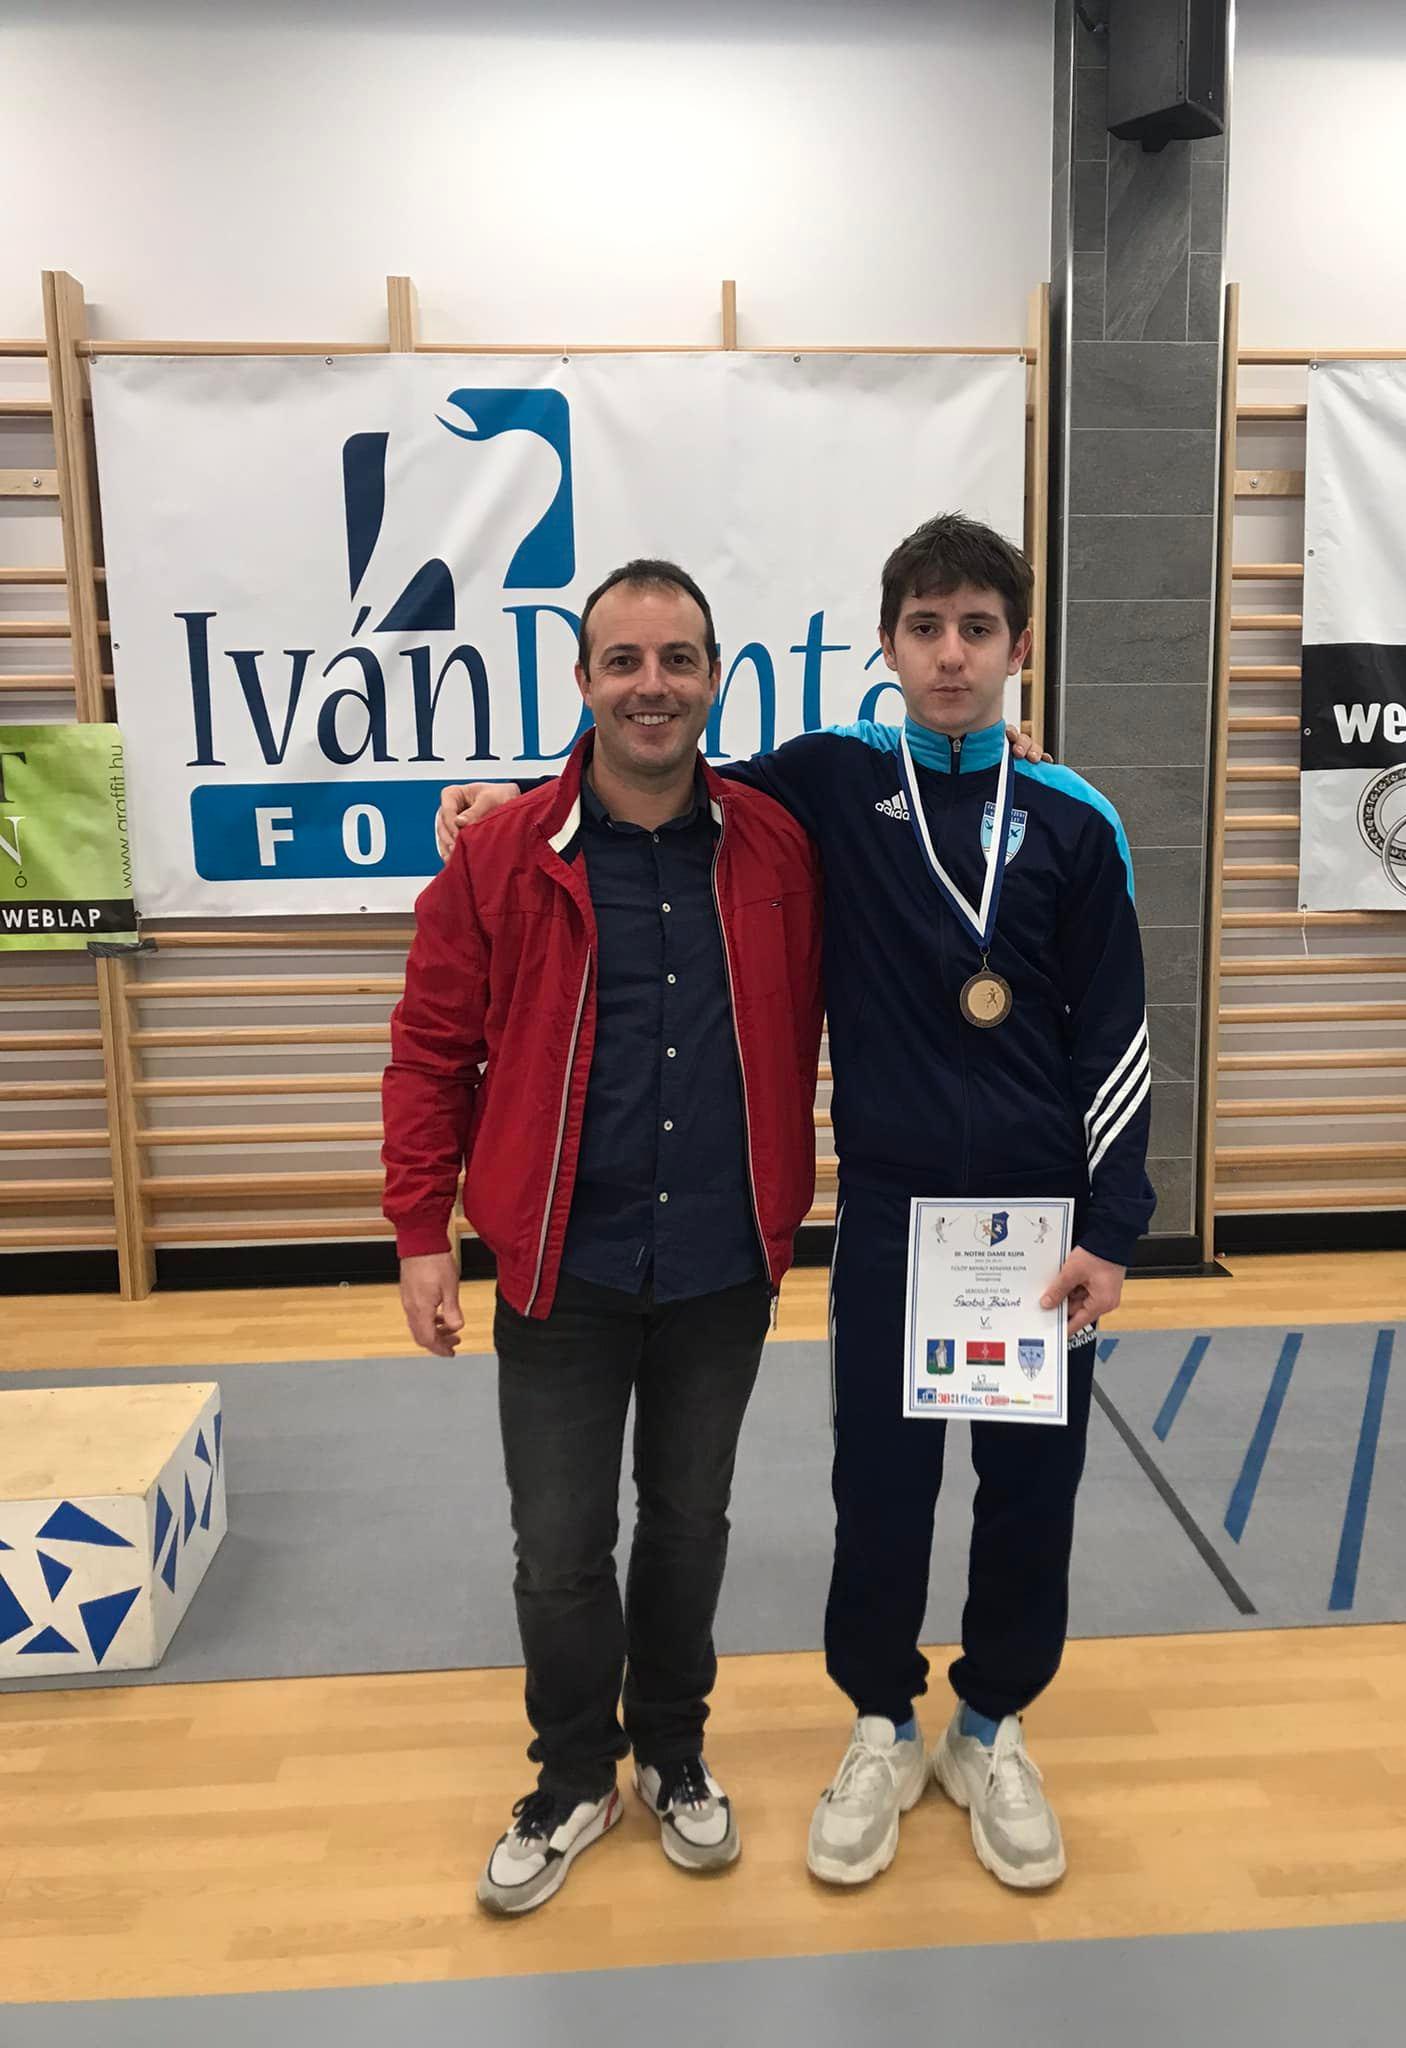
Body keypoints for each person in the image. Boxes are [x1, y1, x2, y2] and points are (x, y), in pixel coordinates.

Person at [438, 514, 1153, 1895]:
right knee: (880, 1486)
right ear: (887, 645)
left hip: (1035, 1231)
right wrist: (500, 797)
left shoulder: (1077, 820)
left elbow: (1117, 1034)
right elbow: (649, 776)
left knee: (1029, 1492)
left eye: (979, 630)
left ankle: (992, 1726)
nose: (952, 657)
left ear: (1018, 645)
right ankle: (881, 1724)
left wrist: (1110, 1229)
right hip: (888, 1217)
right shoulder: (829, 781)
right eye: (925, 629)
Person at [383, 560, 824, 1916]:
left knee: (688, 1525)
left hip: (720, 1265)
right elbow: (430, 1050)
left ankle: (673, 1753)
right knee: (562, 1546)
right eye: (623, 661)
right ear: (582, 681)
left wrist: (1003, 751)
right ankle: (575, 1774)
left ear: (715, 680)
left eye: (678, 660)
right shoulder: (501, 853)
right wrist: (420, 1231)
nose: (652, 686)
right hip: (559, 1263)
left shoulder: (778, 848)